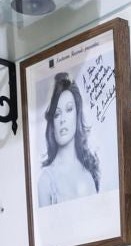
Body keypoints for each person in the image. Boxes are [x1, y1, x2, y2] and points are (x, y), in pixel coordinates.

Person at [37, 72, 100, 206]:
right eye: (57, 114)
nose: (63, 119)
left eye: (69, 109)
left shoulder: (88, 175)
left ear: (77, 115)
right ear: (52, 122)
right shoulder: (46, 181)